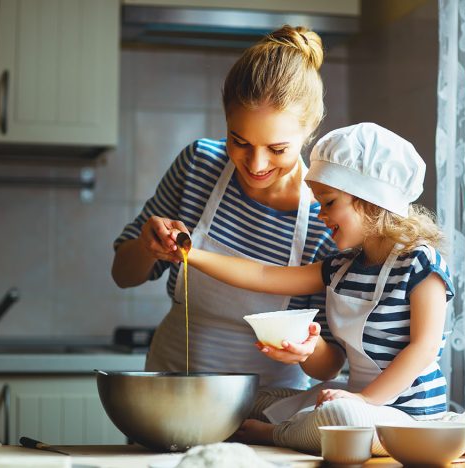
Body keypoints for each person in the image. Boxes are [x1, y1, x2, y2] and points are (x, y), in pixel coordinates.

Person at [183, 122, 455, 454]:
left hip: (409, 419)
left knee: (341, 415)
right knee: (254, 398)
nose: (320, 214)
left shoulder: (420, 264)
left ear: (369, 199)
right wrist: (188, 254)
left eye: (328, 202)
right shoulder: (341, 267)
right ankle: (301, 425)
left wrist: (365, 400)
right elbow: (264, 275)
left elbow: (424, 348)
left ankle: (275, 434)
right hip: (356, 401)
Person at [111, 25, 338, 406]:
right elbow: (122, 274)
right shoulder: (199, 165)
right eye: (240, 141)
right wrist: (148, 247)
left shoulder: (326, 214)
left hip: (268, 411)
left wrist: (307, 349)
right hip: (170, 394)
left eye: (277, 148)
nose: (256, 164)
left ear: (309, 131)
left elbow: (330, 364)